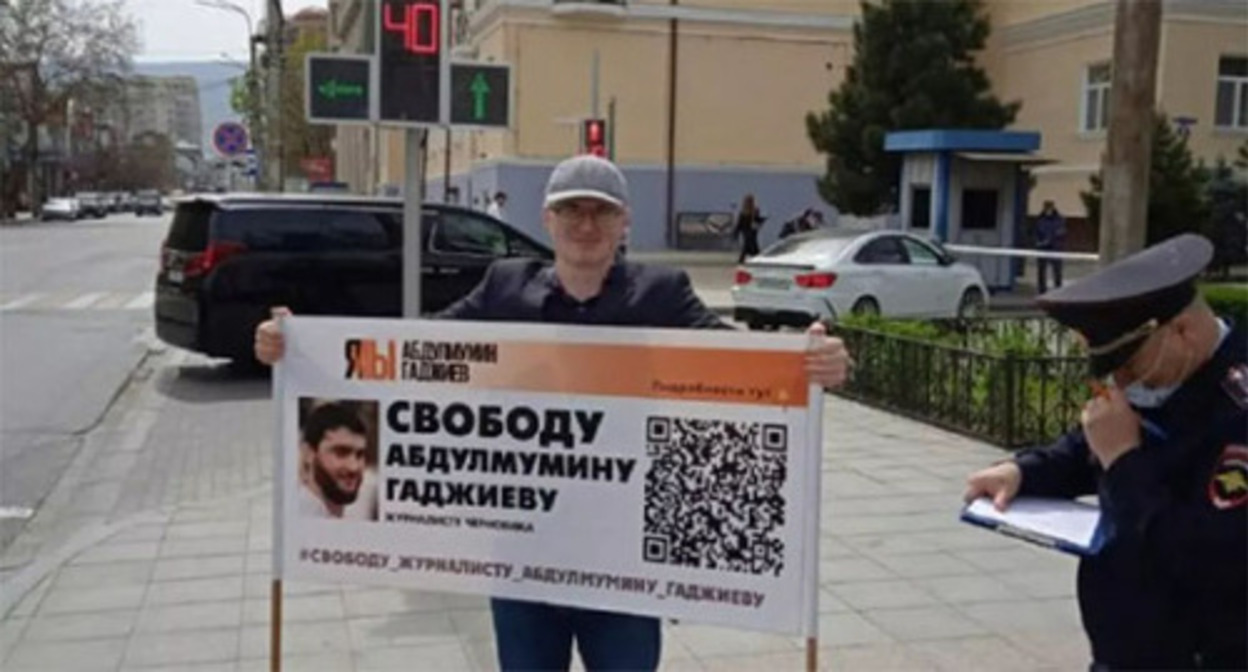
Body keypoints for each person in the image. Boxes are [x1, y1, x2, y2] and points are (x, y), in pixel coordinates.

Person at [255, 154, 853, 672]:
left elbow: (739, 360)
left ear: (624, 223)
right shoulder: (504, 288)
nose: (585, 225)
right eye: (572, 212)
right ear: (548, 221)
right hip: (523, 558)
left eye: (601, 212)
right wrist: (301, 348)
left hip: (621, 561)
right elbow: (413, 355)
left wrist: (814, 363)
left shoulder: (661, 293)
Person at [964, 233, 1246, 671]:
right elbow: (1089, 446)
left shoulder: (1236, 411)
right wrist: (1022, 471)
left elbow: (1207, 558)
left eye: (1131, 366)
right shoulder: (1169, 375)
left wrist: (1125, 462)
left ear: (1183, 332)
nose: (1122, 385)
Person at [298, 401, 374, 520]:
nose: (353, 467)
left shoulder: (353, 516)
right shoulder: (298, 516)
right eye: (341, 452)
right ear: (308, 453)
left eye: (359, 455)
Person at [1034, 200, 1067, 293]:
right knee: (1041, 270)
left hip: (1056, 248)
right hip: (1042, 248)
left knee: (1057, 271)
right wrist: (1039, 242)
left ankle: (1058, 290)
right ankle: (1042, 290)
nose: (1048, 210)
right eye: (1046, 208)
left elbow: (1062, 232)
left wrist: (1052, 240)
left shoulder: (1059, 219)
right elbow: (1035, 233)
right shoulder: (1040, 219)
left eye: (1050, 208)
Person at [734, 194, 765, 262]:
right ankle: (756, 257)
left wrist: (736, 232)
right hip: (749, 230)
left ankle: (745, 258)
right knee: (749, 244)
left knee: (750, 244)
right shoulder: (747, 211)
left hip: (749, 230)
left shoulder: (751, 211)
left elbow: (740, 223)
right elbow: (740, 223)